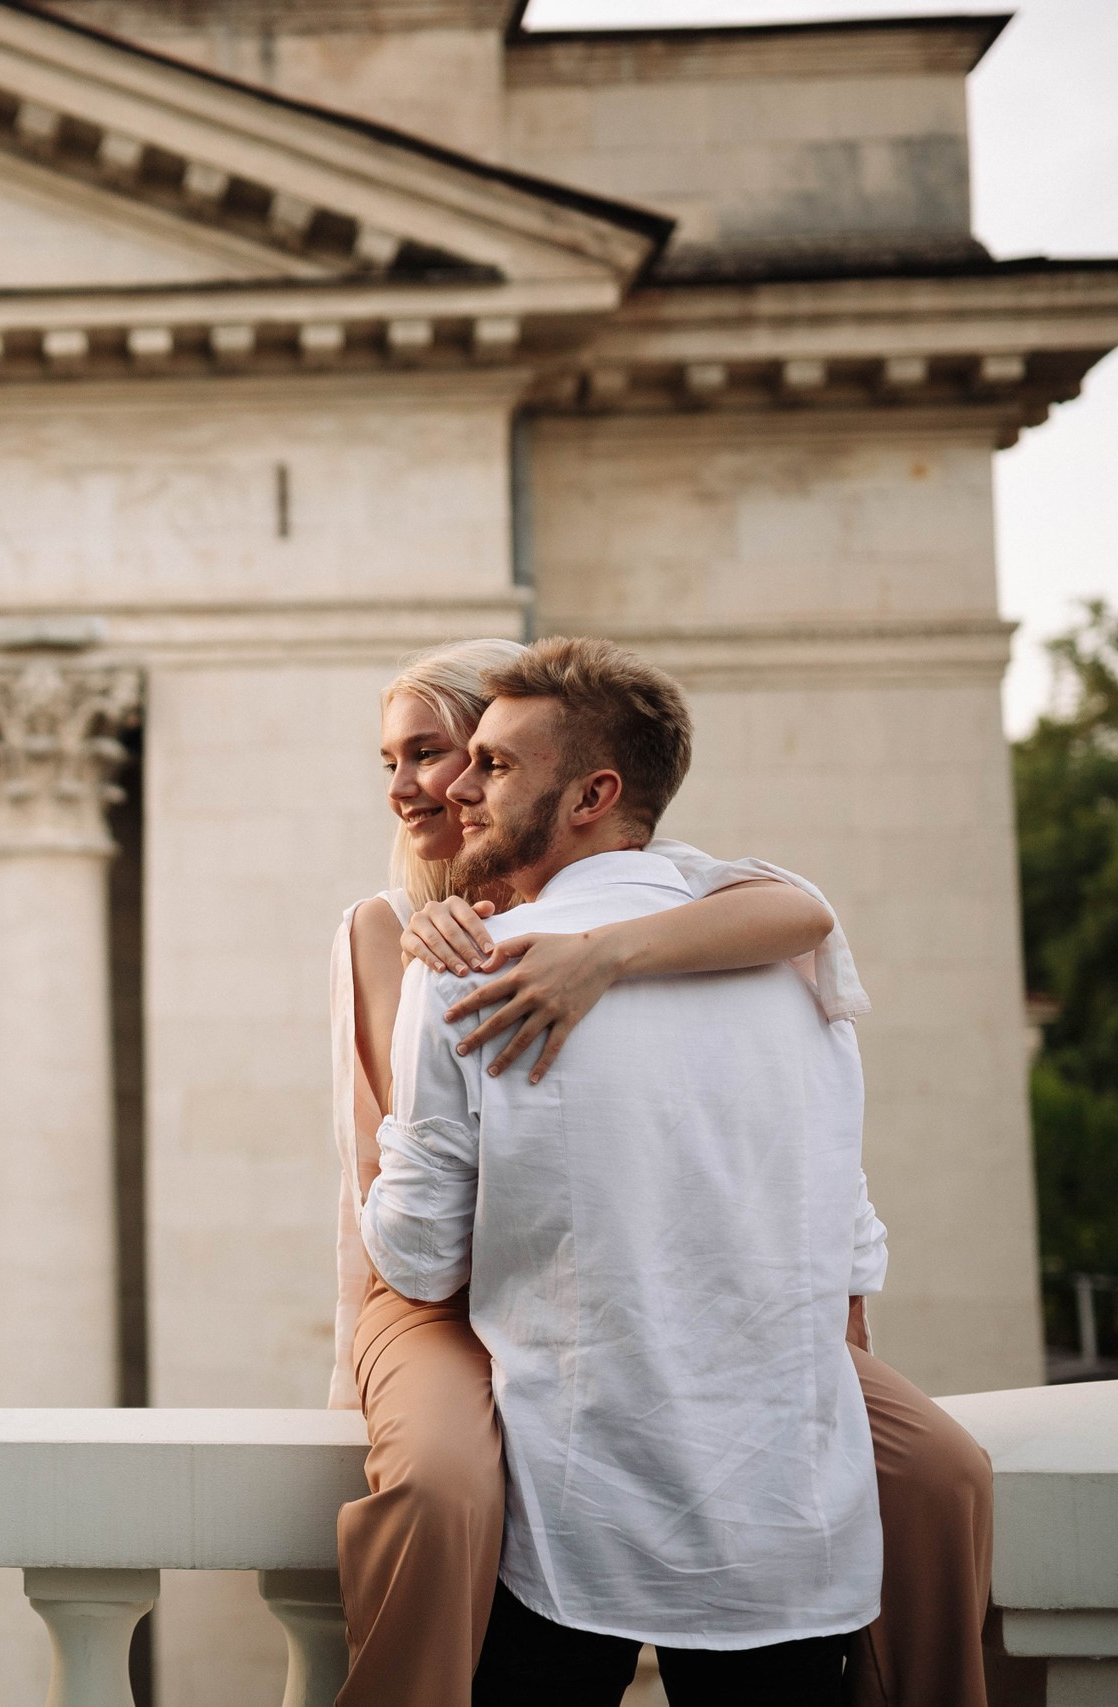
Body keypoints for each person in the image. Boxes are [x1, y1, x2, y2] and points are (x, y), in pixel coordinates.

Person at [330, 637, 993, 1707]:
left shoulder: (471, 978)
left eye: (483, 763)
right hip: (784, 1521)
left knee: (944, 1472)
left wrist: (590, 965)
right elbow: (848, 1226)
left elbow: (415, 1251)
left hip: (579, 1503)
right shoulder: (803, 977)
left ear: (593, 792)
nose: (448, 787)